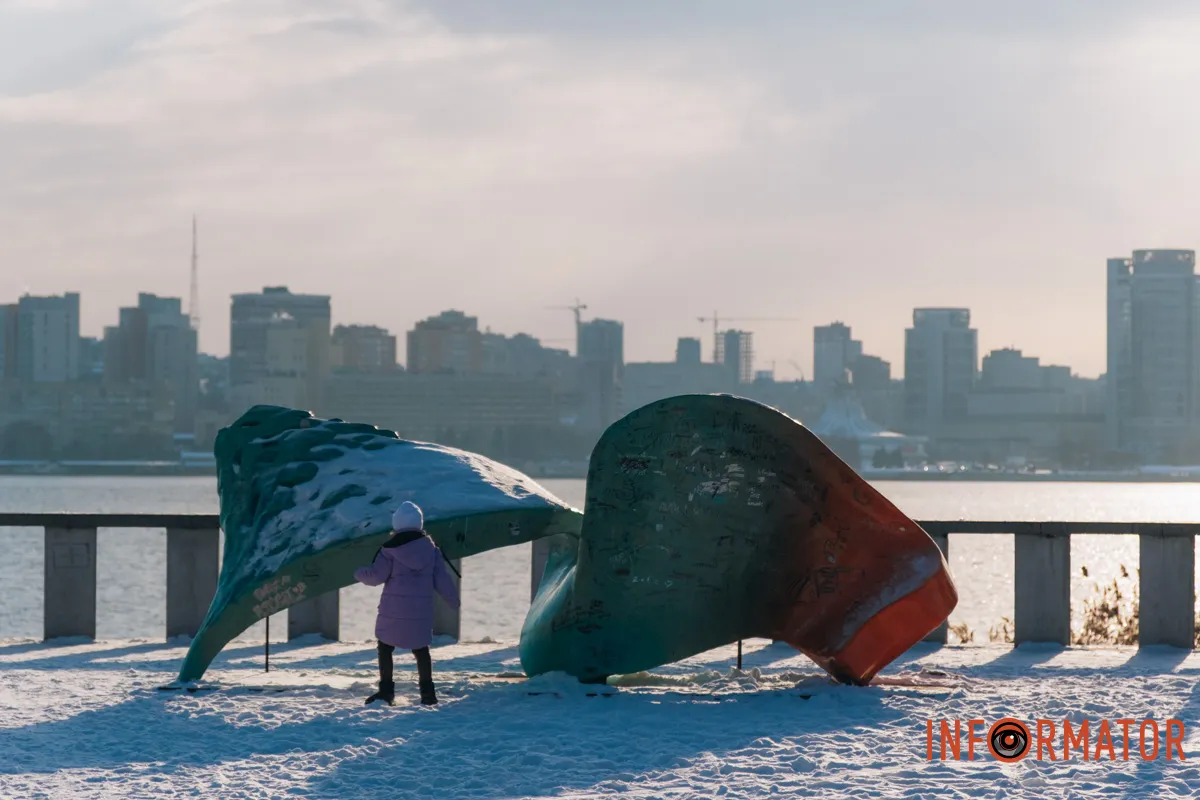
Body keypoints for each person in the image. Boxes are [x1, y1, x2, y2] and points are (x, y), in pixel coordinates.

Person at [354, 500, 460, 706]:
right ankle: (428, 694)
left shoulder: (389, 550)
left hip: (393, 610)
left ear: (397, 524)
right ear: (419, 524)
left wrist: (358, 573)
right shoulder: (432, 550)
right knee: (421, 650)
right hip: (420, 611)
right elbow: (442, 579)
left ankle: (386, 692)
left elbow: (376, 577)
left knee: (385, 647)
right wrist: (453, 601)